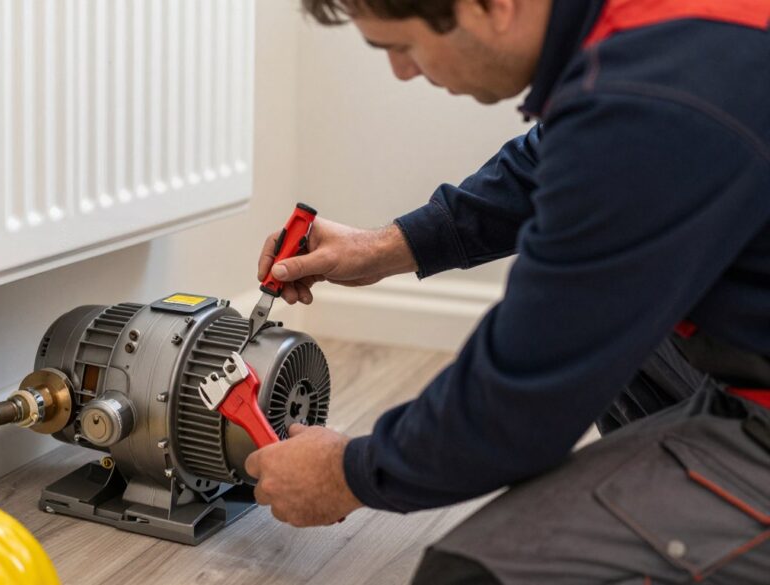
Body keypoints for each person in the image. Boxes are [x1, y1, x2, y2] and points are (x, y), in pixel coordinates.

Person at [242, 0, 770, 582]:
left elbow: (519, 400)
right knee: (616, 314)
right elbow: (555, 161)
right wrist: (383, 246)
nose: (403, 71)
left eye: (403, 46)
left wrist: (348, 472)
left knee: (470, 575)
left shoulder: (649, 101)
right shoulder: (649, 38)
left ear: (493, 8)